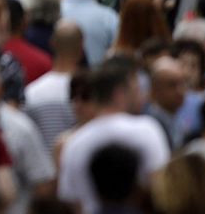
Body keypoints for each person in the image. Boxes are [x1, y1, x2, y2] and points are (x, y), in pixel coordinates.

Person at [57, 59, 172, 214]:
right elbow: (161, 186)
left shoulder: (76, 142)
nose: (142, 96)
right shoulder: (147, 130)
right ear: (119, 94)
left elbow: (71, 201)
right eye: (136, 90)